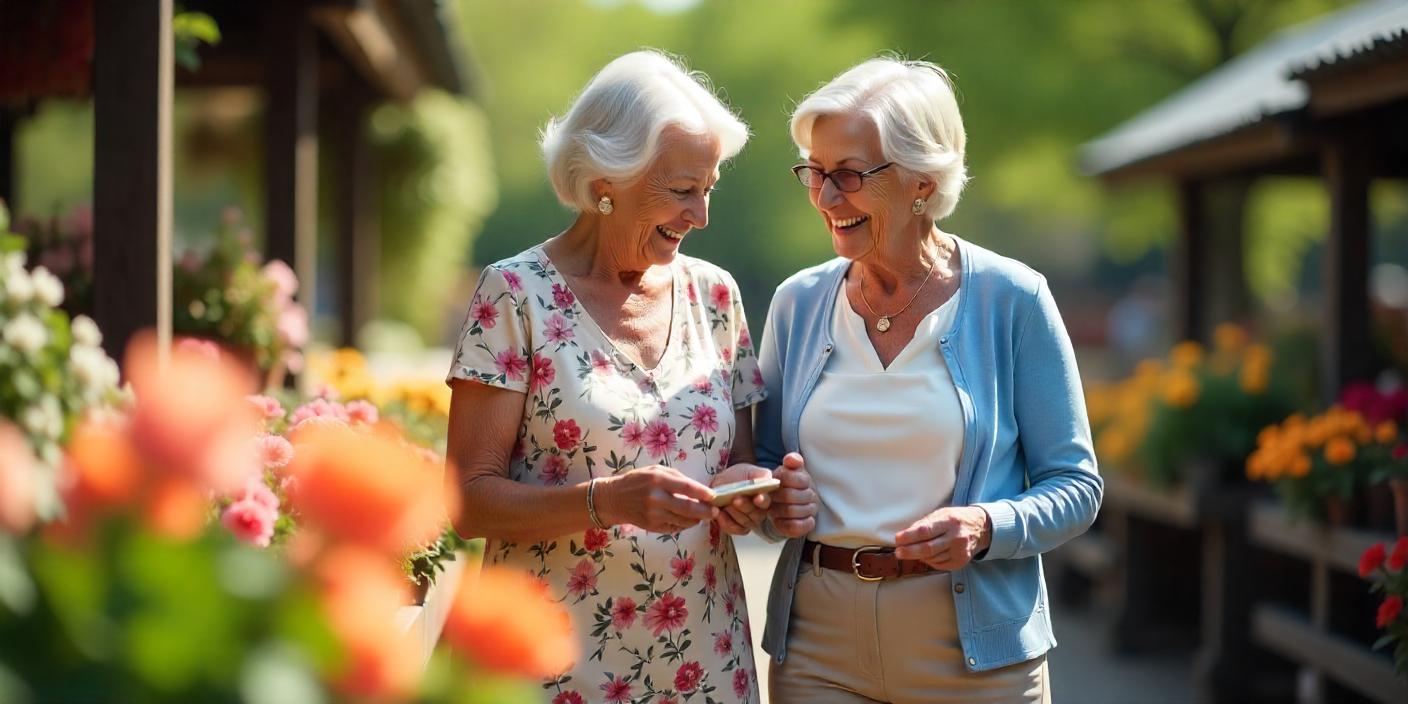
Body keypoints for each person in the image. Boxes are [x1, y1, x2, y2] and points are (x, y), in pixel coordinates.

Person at [754, 57, 1104, 703]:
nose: (827, 198)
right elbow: (768, 469)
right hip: (817, 646)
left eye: (851, 174)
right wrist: (772, 497)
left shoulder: (1013, 298)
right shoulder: (797, 302)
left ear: (922, 180)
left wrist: (985, 525)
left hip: (975, 654)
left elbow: (1077, 487)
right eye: (816, 172)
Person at [445, 50, 770, 703]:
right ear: (606, 180)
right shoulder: (514, 294)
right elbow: (466, 502)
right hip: (553, 671)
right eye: (682, 190)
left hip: (705, 664)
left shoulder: (716, 295)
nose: (700, 215)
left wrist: (748, 496)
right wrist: (605, 502)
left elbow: (737, 462)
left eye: (708, 188)